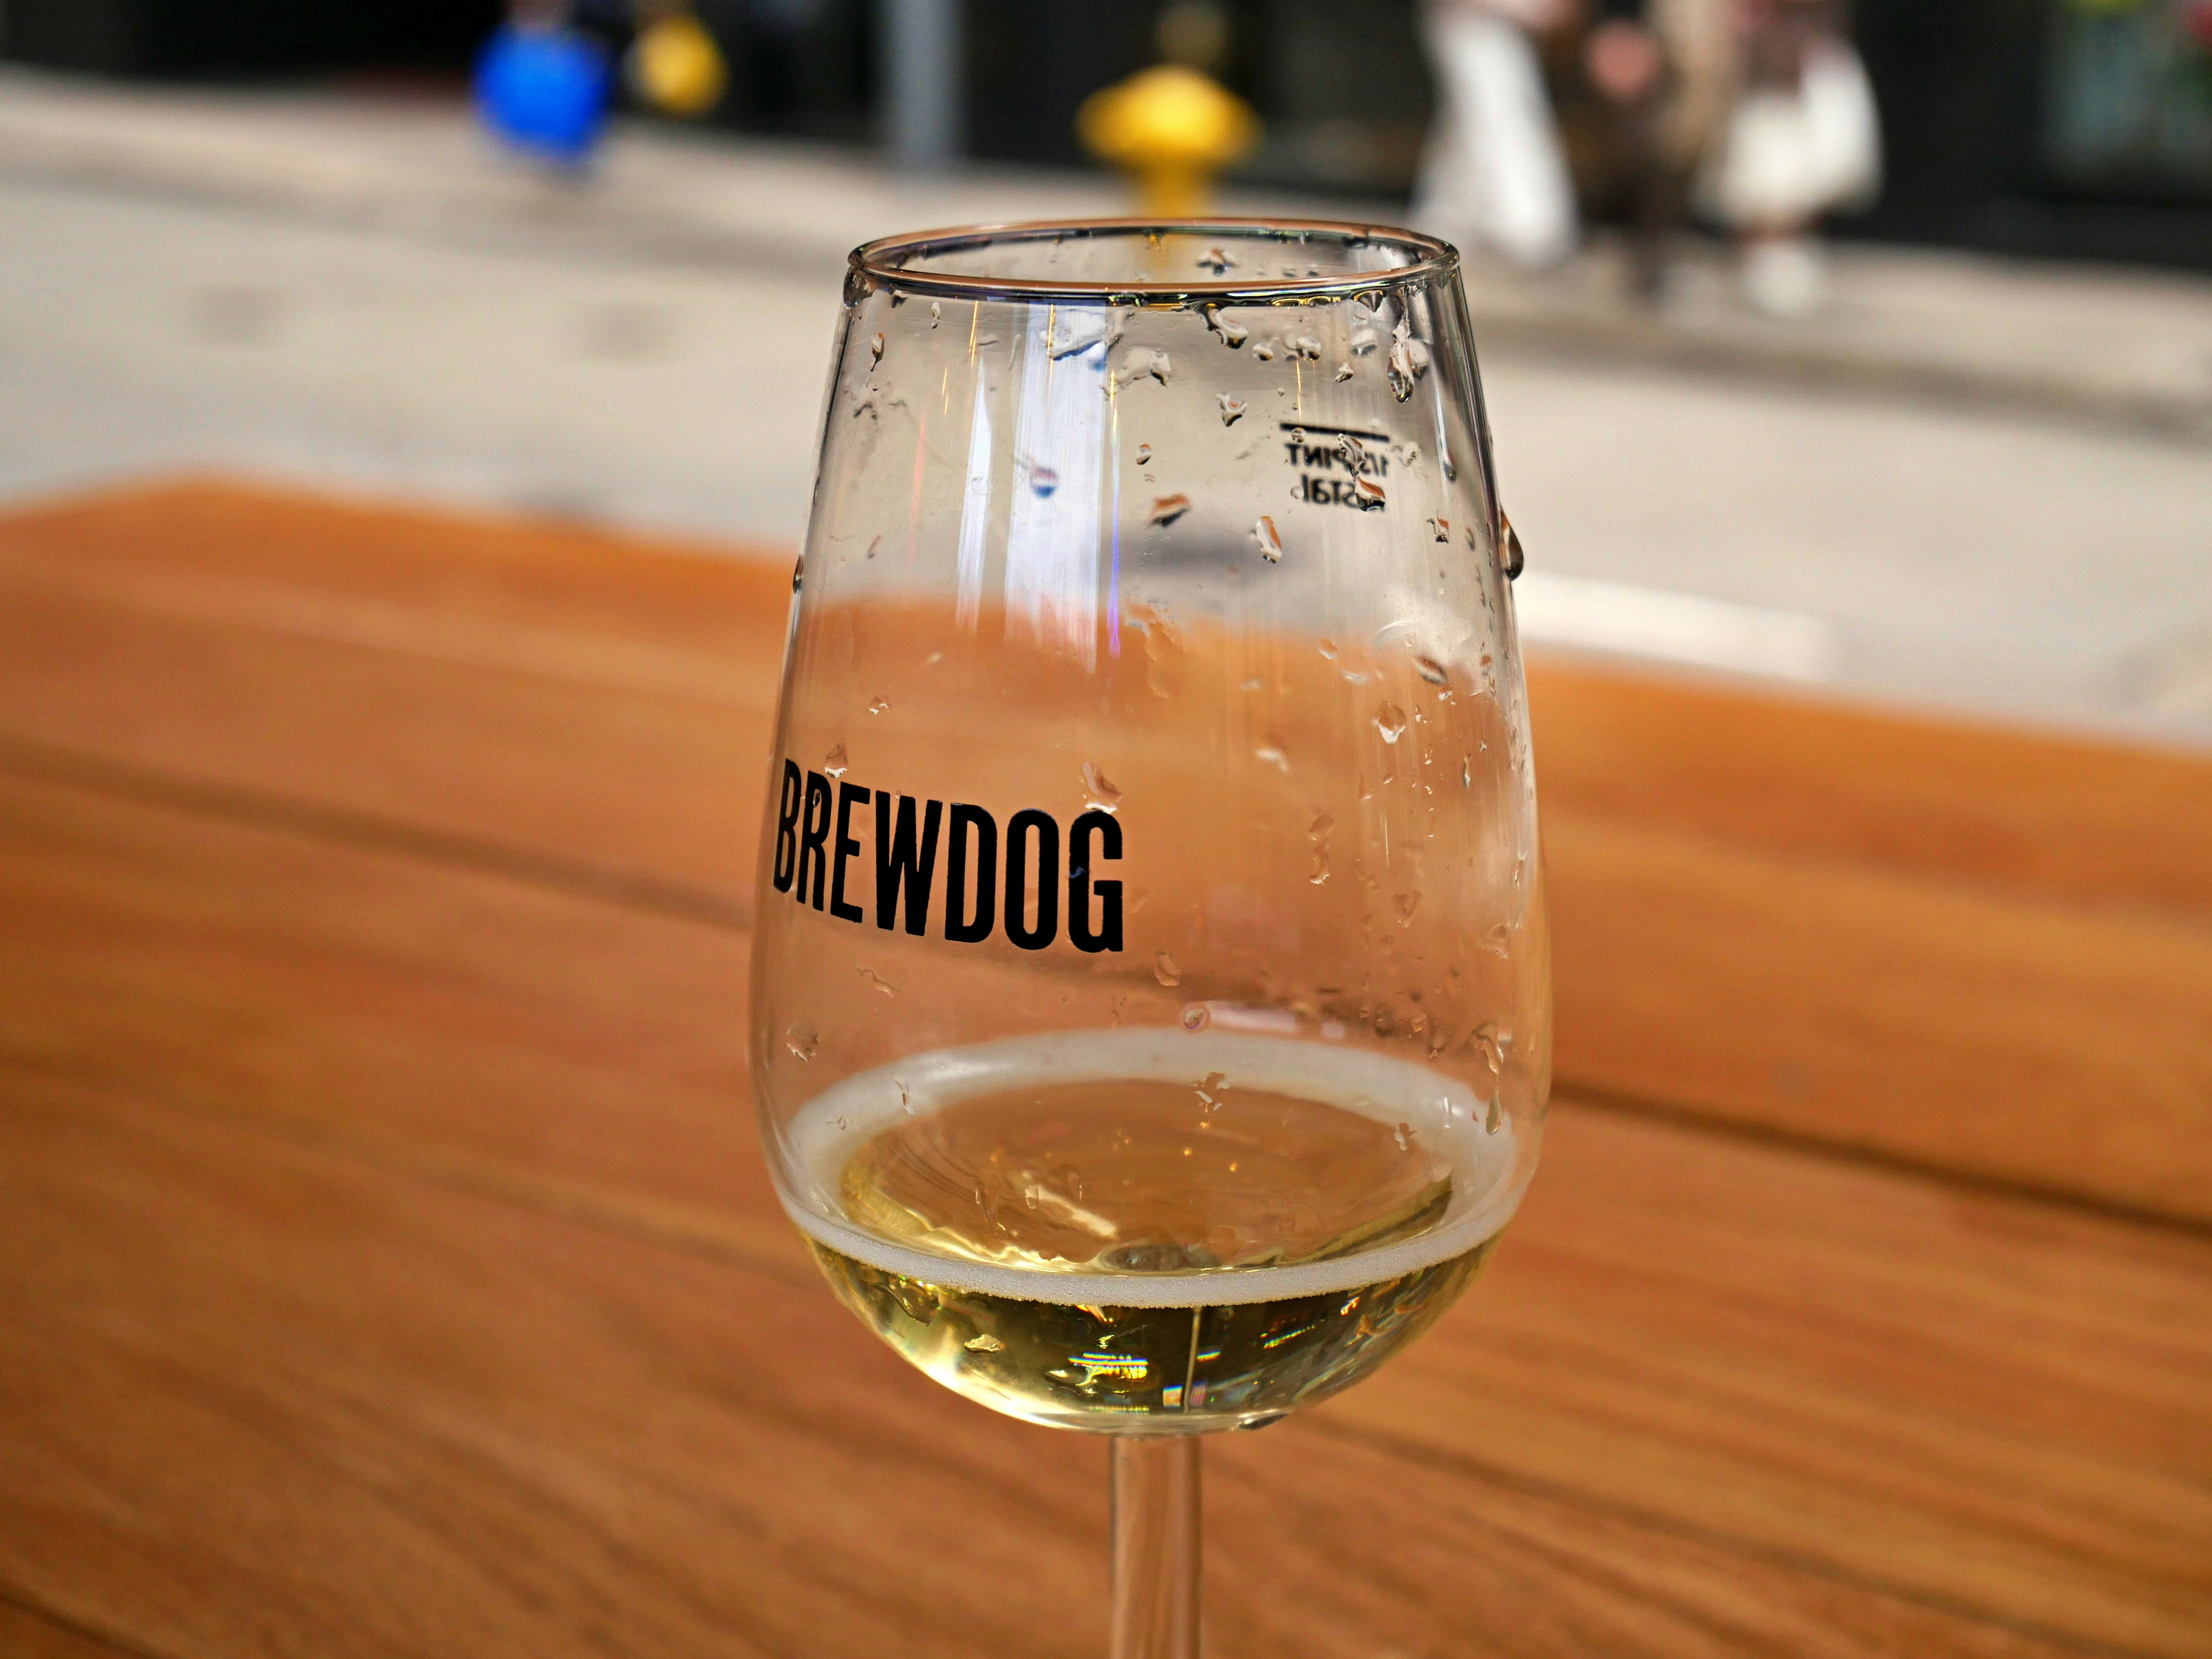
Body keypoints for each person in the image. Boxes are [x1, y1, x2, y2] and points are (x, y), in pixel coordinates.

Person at [1695, 0, 1880, 316]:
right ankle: (1758, 255)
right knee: (1753, 172)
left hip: (1807, 81)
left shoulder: (1828, 65)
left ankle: (1784, 253)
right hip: (1755, 81)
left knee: (1805, 171)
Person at [1413, 0, 1582, 269]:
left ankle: (1446, 221)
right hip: (1473, 23)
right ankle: (1529, 225)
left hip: (1494, 26)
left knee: (1472, 124)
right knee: (1500, 118)